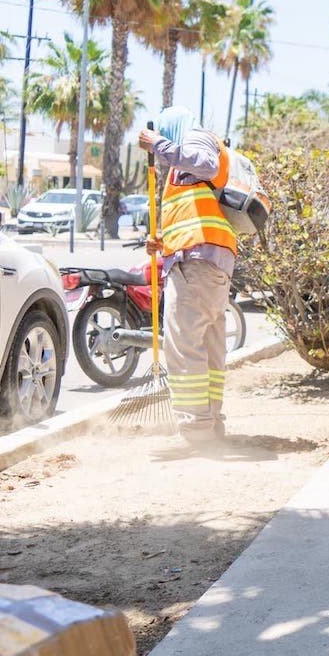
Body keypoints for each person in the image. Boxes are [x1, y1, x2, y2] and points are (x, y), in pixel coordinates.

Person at [137, 106, 239, 444]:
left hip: (195, 266)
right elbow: (197, 216)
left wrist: (158, 144)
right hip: (208, 264)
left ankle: (195, 430)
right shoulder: (187, 164)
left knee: (183, 349)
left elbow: (206, 164)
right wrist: (162, 243)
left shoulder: (196, 139)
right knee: (208, 348)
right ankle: (210, 424)